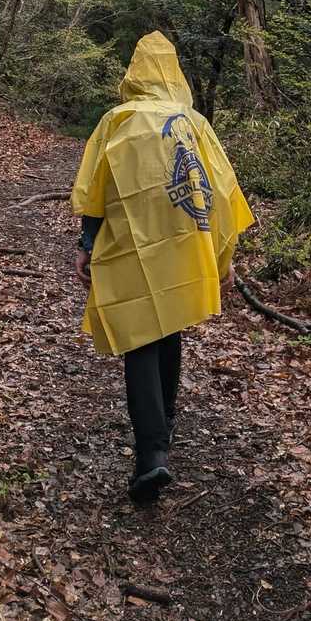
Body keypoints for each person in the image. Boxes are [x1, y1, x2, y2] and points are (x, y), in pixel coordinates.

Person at [72, 31, 254, 502]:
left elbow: (95, 189)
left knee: (140, 337)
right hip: (183, 243)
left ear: (134, 72)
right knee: (167, 326)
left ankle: (152, 451)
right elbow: (221, 192)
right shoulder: (195, 124)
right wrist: (224, 257)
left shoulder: (117, 120)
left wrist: (87, 244)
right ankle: (164, 427)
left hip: (130, 245)